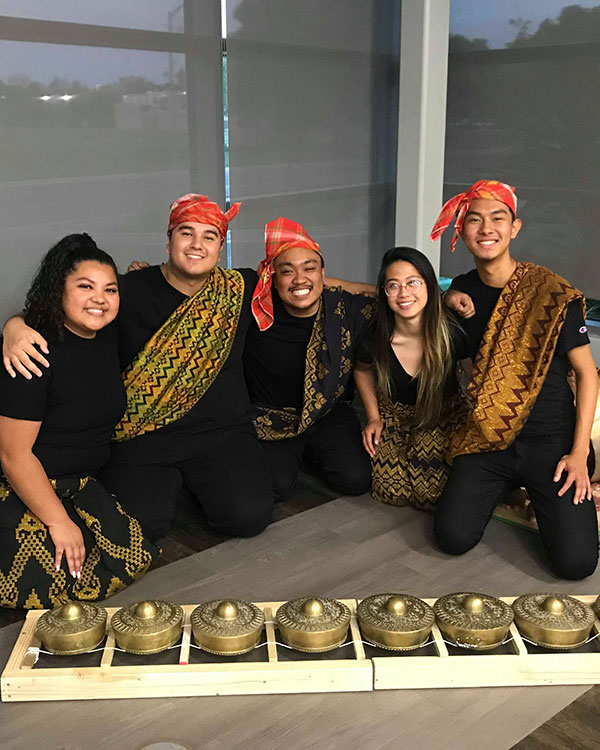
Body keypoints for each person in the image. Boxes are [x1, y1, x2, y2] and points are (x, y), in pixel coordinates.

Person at [2, 195, 275, 542]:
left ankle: (200, 488)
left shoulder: (238, 289)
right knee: (138, 531)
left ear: (220, 248)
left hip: (219, 433)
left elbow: (304, 282)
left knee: (247, 517)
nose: (196, 245)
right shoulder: (124, 292)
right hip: (143, 438)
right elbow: (70, 307)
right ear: (168, 241)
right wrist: (14, 327)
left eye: (209, 237)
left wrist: (367, 292)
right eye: (186, 233)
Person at [432, 179, 598, 579]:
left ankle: (541, 487)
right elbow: (420, 311)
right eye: (474, 220)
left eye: (497, 219)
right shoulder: (461, 290)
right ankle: (506, 486)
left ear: (514, 228)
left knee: (576, 565)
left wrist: (577, 454)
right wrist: (444, 299)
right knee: (451, 538)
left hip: (551, 442)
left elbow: (587, 375)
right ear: (462, 230)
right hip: (489, 439)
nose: (486, 229)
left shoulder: (551, 294)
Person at [0, 234, 159, 609]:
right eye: (85, 287)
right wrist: (57, 522)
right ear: (59, 290)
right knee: (47, 587)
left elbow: (173, 282)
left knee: (130, 560)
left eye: (110, 289)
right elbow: (13, 456)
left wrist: (12, 322)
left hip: (82, 483)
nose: (99, 299)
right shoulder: (32, 354)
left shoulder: (108, 334)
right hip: (24, 483)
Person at [244, 217, 374, 501]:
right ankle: (294, 454)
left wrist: (448, 298)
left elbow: (396, 300)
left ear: (323, 274)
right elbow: (200, 286)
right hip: (272, 416)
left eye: (309, 269)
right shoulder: (254, 308)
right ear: (272, 277)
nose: (300, 279)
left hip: (328, 412)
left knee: (356, 479)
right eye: (287, 271)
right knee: (276, 487)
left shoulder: (344, 308)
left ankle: (312, 451)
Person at [353, 247, 468, 512]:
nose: (404, 294)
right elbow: (361, 370)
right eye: (393, 285)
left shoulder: (451, 331)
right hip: (395, 416)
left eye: (413, 282)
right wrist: (373, 417)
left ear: (429, 285)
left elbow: (476, 376)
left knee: (431, 495)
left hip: (442, 416)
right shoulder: (375, 335)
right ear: (384, 292)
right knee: (390, 490)